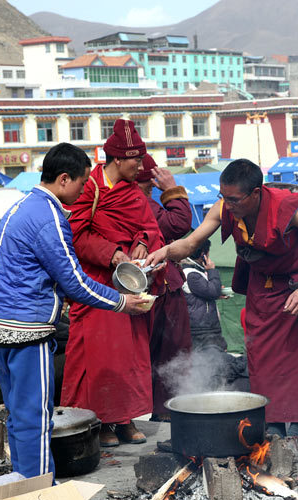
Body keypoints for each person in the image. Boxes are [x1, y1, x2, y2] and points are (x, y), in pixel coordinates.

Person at [146, 158, 298, 456]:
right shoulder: (224, 207)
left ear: (255, 193)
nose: (227, 205)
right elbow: (191, 244)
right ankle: (275, 427)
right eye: (223, 197)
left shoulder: (288, 209)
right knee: (265, 360)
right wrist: (163, 252)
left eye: (233, 199)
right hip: (263, 290)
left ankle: (296, 430)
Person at [0, 143, 145, 479]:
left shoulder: (20, 207)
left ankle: (24, 486)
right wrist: (121, 302)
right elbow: (74, 281)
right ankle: (41, 492)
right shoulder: (49, 216)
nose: (87, 188)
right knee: (35, 418)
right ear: (63, 179)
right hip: (27, 329)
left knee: (18, 415)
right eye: (83, 181)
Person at [63, 120, 163, 447]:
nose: (141, 166)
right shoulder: (88, 188)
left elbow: (150, 227)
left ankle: (125, 418)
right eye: (136, 159)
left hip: (128, 282)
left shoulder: (133, 192)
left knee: (130, 355)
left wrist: (143, 244)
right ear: (117, 159)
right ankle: (100, 421)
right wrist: (112, 253)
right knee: (99, 356)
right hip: (97, 283)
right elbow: (76, 236)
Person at [135, 154, 193, 422]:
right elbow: (179, 223)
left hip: (154, 286)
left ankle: (162, 408)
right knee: (170, 353)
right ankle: (166, 410)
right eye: (148, 182)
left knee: (160, 354)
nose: (150, 187)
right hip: (158, 288)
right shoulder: (139, 202)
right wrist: (171, 189)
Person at [181, 239, 228, 352]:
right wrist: (212, 270)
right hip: (201, 329)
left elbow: (206, 293)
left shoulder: (195, 271)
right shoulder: (191, 274)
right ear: (203, 254)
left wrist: (217, 293)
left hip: (204, 326)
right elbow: (212, 291)